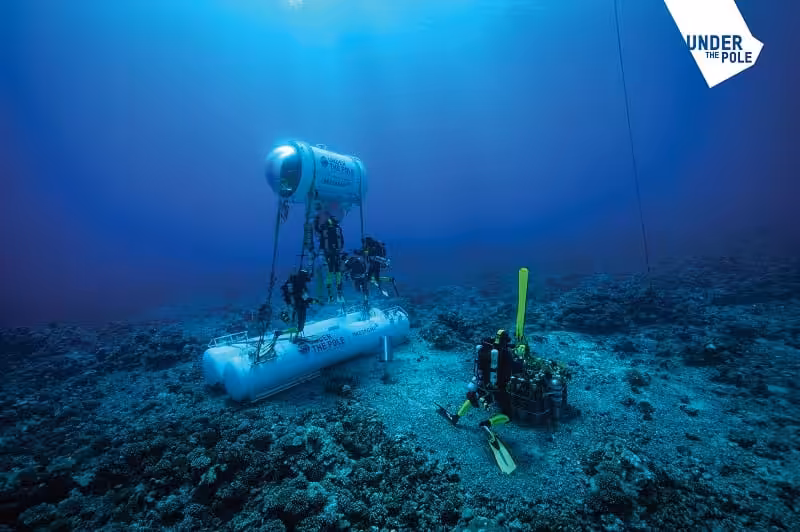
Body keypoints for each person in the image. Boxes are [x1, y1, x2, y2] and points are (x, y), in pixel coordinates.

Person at [435, 329, 525, 474]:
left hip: (483, 383)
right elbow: (515, 369)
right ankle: (487, 424)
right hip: (498, 388)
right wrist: (520, 358)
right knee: (508, 415)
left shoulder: (486, 349)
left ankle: (455, 417)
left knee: (473, 397)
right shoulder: (505, 354)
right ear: (505, 342)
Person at [314, 213, 345, 303]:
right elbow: (342, 241)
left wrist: (316, 220)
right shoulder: (338, 229)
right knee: (338, 271)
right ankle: (339, 289)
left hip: (328, 253)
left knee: (330, 271)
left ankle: (330, 291)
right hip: (337, 252)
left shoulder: (324, 229)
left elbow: (317, 229)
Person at [279, 269, 317, 338]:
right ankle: (280, 333)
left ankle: (294, 336)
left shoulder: (294, 283)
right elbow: (306, 299)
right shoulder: (301, 285)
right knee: (300, 327)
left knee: (294, 323)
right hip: (300, 306)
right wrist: (317, 301)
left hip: (293, 305)